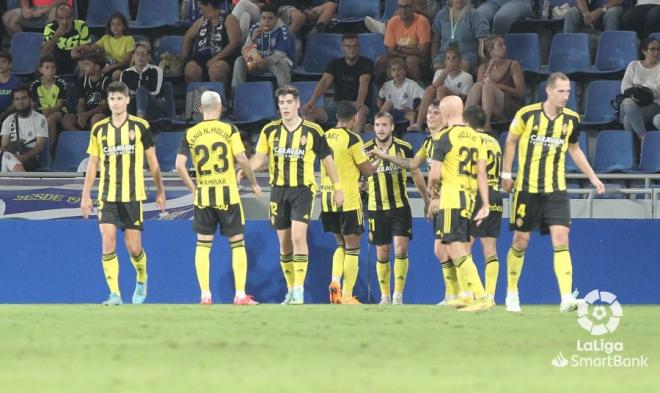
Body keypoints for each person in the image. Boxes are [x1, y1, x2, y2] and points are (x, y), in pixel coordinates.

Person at [502, 72, 605, 313]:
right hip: (527, 188)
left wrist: (592, 177)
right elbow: (511, 141)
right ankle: (512, 292)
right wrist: (506, 174)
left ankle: (566, 297)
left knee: (562, 238)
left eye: (568, 91)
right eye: (561, 91)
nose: (565, 96)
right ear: (548, 91)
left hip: (556, 190)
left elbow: (574, 148)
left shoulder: (571, 119)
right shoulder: (527, 114)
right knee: (521, 241)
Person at [249, 85, 344, 305]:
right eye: (281, 103)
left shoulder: (313, 131)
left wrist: (337, 186)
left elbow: (327, 160)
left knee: (299, 236)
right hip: (278, 190)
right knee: (284, 242)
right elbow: (260, 158)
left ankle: (300, 290)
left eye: (289, 102)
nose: (285, 107)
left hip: (303, 189)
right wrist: (244, 170)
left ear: (298, 104)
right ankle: (290, 290)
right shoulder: (270, 131)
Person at [369, 99, 465, 305]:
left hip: (453, 201)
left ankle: (466, 293)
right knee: (441, 250)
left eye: (435, 113)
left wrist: (435, 197)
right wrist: (384, 157)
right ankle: (453, 295)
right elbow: (413, 165)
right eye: (428, 113)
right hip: (438, 203)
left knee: (455, 248)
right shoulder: (429, 143)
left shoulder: (450, 139)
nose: (430, 116)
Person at [80, 81, 166, 306]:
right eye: (112, 99)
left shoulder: (140, 126)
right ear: (107, 102)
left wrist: (160, 190)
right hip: (107, 195)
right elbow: (92, 164)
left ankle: (141, 278)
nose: (116, 103)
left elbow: (152, 160)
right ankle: (114, 294)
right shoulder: (99, 129)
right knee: (108, 243)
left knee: (134, 248)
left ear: (127, 100)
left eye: (119, 98)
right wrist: (86, 194)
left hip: (132, 195)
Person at [175, 91, 261, 306]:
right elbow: (241, 158)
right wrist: (252, 182)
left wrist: (193, 188)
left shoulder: (190, 132)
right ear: (220, 107)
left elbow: (178, 165)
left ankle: (205, 294)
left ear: (201, 108)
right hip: (227, 193)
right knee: (237, 243)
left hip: (204, 195)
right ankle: (240, 294)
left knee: (203, 246)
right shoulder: (229, 129)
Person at [426, 96, 491, 312]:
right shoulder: (476, 137)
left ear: (444, 114)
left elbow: (434, 174)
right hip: (472, 199)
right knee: (459, 247)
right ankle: (466, 295)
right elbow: (482, 173)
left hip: (452, 199)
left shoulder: (444, 138)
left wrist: (432, 190)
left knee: (454, 246)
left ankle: (480, 296)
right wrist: (486, 204)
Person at [363, 112, 430, 305]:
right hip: (376, 208)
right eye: (377, 125)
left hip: (400, 207)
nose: (381, 129)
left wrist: (426, 200)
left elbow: (416, 174)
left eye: (385, 125)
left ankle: (398, 296)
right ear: (373, 128)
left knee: (400, 249)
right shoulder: (365, 149)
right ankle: (384, 296)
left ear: (392, 127)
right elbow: (360, 177)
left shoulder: (404, 148)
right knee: (382, 251)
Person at [322, 102, 377, 305]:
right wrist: (377, 160)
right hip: (349, 200)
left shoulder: (325, 136)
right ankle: (347, 295)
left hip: (328, 199)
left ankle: (335, 281)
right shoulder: (353, 139)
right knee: (353, 248)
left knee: (340, 244)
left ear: (337, 116)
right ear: (354, 119)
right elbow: (367, 170)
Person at [463, 105, 502, 305]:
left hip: (477, 194)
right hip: (496, 194)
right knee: (490, 248)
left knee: (465, 246)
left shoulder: (471, 141)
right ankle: (491, 296)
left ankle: (472, 295)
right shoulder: (494, 142)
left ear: (467, 123)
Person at [302, 33, 374, 133]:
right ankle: (312, 144)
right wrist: (312, 102)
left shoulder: (367, 63)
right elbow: (324, 82)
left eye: (355, 46)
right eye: (348, 46)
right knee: (309, 112)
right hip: (337, 106)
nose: (352, 49)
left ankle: (353, 143)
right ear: (342, 48)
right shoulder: (334, 63)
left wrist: (359, 102)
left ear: (359, 48)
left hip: (357, 105)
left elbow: (364, 83)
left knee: (360, 112)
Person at [465, 35, 524, 130]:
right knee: (477, 85)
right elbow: (479, 87)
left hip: (508, 106)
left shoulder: (513, 65)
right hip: (487, 106)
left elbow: (520, 94)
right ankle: (465, 122)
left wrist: (499, 86)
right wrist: (489, 68)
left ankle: (485, 125)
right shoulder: (483, 67)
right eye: (500, 45)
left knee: (488, 86)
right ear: (491, 50)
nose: (505, 47)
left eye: (504, 44)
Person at [231, 4, 295, 91]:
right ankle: (236, 94)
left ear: (277, 18)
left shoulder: (282, 30)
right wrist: (253, 39)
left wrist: (266, 61)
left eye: (270, 18)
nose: (266, 21)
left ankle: (284, 94)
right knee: (240, 61)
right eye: (263, 18)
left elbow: (281, 54)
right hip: (258, 63)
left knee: (282, 63)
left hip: (274, 64)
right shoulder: (255, 28)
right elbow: (245, 51)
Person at [411, 46, 473, 131]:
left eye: (454, 58)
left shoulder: (467, 77)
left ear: (460, 60)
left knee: (441, 90)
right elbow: (433, 88)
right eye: (448, 58)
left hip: (456, 105)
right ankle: (418, 124)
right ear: (445, 61)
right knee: (431, 89)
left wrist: (446, 91)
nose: (451, 61)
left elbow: (463, 99)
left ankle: (439, 124)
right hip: (437, 100)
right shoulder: (440, 72)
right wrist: (446, 71)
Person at [182, 0, 241, 87]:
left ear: (209, 5)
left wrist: (215, 59)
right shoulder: (201, 21)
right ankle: (197, 99)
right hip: (202, 57)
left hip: (224, 57)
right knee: (190, 69)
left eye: (201, 8)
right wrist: (184, 59)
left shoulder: (229, 19)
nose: (200, 11)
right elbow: (188, 37)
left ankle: (219, 99)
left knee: (216, 70)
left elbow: (234, 43)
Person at [376, 0, 431, 85]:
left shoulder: (422, 22)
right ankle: (379, 91)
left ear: (413, 8)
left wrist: (400, 48)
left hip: (420, 59)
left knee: (411, 60)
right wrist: (410, 52)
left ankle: (417, 89)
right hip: (400, 56)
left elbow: (423, 51)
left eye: (407, 7)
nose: (403, 10)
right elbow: (391, 50)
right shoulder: (392, 22)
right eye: (401, 6)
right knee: (381, 60)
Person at [120, 42, 173, 121]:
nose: (141, 56)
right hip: (133, 106)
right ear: (133, 56)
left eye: (144, 53)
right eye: (138, 53)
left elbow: (156, 93)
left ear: (148, 57)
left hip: (153, 106)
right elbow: (122, 93)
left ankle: (140, 121)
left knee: (141, 90)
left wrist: (138, 94)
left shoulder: (156, 70)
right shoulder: (125, 73)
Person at [431, 0, 489, 73]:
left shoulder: (474, 15)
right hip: (445, 53)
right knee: (437, 66)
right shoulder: (441, 15)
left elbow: (482, 39)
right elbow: (435, 40)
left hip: (466, 53)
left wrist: (481, 61)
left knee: (462, 66)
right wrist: (433, 59)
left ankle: (459, 84)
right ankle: (442, 84)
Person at [620, 37, 660, 140]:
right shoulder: (633, 65)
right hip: (634, 104)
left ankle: (640, 144)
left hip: (654, 104)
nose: (656, 52)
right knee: (627, 104)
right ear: (644, 51)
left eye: (658, 49)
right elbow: (625, 88)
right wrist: (645, 89)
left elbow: (657, 91)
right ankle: (643, 140)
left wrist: (636, 88)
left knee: (627, 119)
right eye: (653, 49)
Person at [0, 86, 48, 171]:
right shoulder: (8, 120)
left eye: (24, 98)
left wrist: (21, 158)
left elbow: (39, 147)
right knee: (5, 156)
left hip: (32, 160)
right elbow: (4, 146)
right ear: (13, 102)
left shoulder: (40, 118)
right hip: (11, 157)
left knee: (7, 159)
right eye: (17, 99)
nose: (20, 102)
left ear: (30, 99)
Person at [78, 12, 135, 80]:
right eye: (113, 24)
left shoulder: (128, 39)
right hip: (108, 64)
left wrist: (111, 67)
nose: (115, 27)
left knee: (116, 74)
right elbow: (90, 48)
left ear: (124, 26)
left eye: (118, 24)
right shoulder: (106, 38)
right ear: (110, 26)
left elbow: (126, 62)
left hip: (122, 66)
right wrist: (81, 47)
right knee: (84, 65)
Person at [63, 52, 111, 131]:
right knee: (67, 119)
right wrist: (81, 114)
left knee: (96, 119)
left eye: (87, 64)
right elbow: (81, 102)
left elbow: (103, 106)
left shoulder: (107, 81)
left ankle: (93, 141)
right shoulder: (82, 81)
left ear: (97, 67)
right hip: (85, 113)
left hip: (100, 114)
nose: (84, 67)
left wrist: (86, 114)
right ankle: (82, 139)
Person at [40, 3, 90, 75]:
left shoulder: (81, 25)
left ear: (73, 17)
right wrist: (57, 35)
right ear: (56, 18)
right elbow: (43, 53)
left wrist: (78, 55)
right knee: (44, 66)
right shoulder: (50, 27)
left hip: (75, 60)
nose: (64, 22)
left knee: (83, 64)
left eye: (68, 17)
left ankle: (79, 85)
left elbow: (87, 50)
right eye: (61, 18)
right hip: (57, 59)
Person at [30, 56, 68, 152]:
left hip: (59, 112)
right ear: (40, 70)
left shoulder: (61, 83)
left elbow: (60, 106)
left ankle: (51, 148)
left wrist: (49, 110)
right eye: (47, 68)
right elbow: (33, 104)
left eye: (53, 68)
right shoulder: (35, 84)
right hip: (42, 111)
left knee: (50, 118)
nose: (50, 70)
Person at [377, 58, 425, 126]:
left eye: (399, 69)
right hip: (390, 112)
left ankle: (412, 131)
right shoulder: (386, 85)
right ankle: (377, 125)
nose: (396, 72)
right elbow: (379, 99)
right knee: (388, 103)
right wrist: (381, 107)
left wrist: (417, 109)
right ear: (390, 72)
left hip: (404, 112)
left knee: (412, 115)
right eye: (393, 70)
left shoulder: (412, 84)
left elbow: (426, 97)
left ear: (405, 71)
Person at [2, 0, 72, 37]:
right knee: (8, 17)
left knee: (59, 15)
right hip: (35, 9)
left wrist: (46, 9)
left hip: (57, 7)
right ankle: (24, 44)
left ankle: (52, 49)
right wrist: (25, 9)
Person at [0, 51, 23, 122]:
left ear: (10, 65)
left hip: (11, 113)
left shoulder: (16, 81)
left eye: (4, 61)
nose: (0, 64)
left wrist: (3, 114)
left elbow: (18, 102)